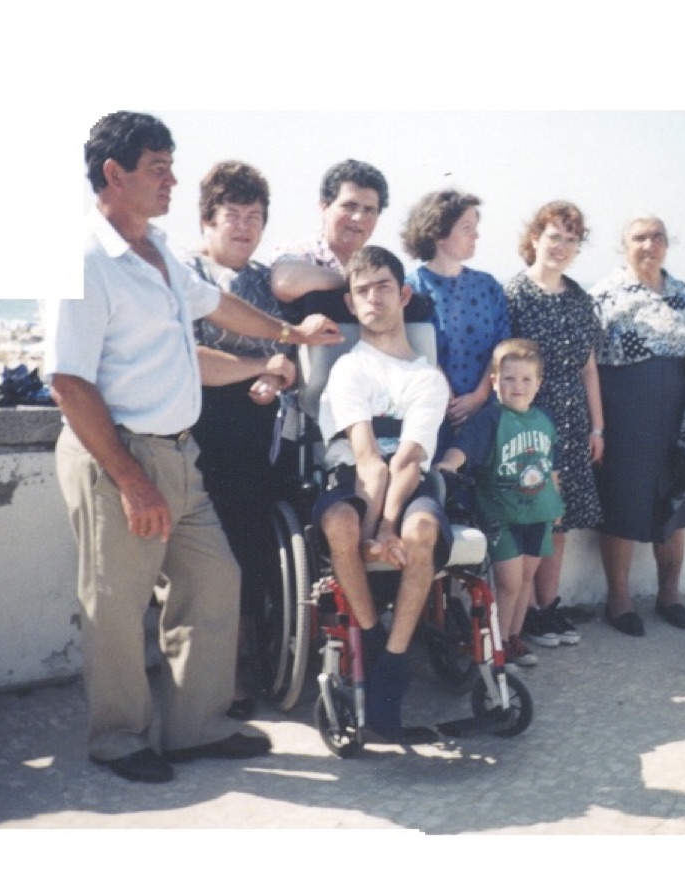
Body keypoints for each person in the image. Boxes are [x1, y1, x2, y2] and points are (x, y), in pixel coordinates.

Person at [48, 111, 341, 784]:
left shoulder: (158, 253)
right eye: (158, 167)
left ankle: (195, 724)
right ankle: (119, 737)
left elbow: (219, 307)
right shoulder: (83, 258)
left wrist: (288, 334)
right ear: (114, 174)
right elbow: (68, 382)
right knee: (115, 603)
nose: (173, 180)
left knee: (215, 581)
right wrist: (130, 478)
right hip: (117, 455)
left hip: (179, 452)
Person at [313, 245, 452, 743]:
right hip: (355, 477)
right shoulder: (350, 368)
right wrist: (372, 533)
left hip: (407, 485)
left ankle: (392, 666)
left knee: (423, 531)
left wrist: (391, 528)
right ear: (350, 304)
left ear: (404, 294)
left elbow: (409, 461)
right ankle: (371, 640)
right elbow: (368, 458)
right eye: (362, 291)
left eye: (383, 287)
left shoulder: (428, 378)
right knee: (341, 526)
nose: (373, 298)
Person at [184, 161, 298, 720]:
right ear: (207, 220)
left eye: (255, 217)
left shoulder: (265, 281)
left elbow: (290, 358)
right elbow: (190, 359)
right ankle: (217, 675)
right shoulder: (185, 273)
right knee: (213, 554)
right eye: (233, 215)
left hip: (260, 429)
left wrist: (274, 376)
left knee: (252, 547)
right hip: (202, 427)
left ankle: (244, 664)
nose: (244, 227)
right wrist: (260, 363)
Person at [590, 216, 685, 637]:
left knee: (676, 501)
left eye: (657, 236)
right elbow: (587, 363)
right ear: (623, 245)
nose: (649, 244)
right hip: (624, 411)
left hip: (679, 414)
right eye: (639, 237)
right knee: (622, 500)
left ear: (668, 243)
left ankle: (670, 595)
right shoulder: (604, 295)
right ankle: (619, 599)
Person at [504, 201, 603, 652]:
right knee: (534, 518)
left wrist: (597, 427)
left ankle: (548, 608)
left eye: (570, 239)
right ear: (534, 239)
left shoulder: (581, 298)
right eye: (554, 236)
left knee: (558, 522)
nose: (561, 246)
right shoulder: (515, 294)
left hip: (572, 421)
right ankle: (518, 620)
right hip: (529, 423)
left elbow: (588, 367)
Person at [437, 339, 564, 668]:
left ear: (538, 384)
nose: (517, 386)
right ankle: (496, 645)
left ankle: (513, 637)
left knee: (524, 580)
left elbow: (551, 469)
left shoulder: (544, 422)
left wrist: (557, 507)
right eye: (508, 379)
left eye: (526, 380)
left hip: (538, 514)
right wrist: (448, 465)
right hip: (500, 514)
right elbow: (463, 449)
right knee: (508, 582)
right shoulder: (488, 420)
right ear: (494, 382)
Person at [401, 189, 512, 452]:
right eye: (466, 228)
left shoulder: (488, 286)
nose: (476, 235)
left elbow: (503, 345)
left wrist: (479, 396)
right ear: (439, 232)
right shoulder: (410, 288)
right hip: (430, 415)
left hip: (485, 414)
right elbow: (412, 347)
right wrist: (449, 401)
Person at [269, 159, 394, 323]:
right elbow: (284, 282)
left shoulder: (378, 266)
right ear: (324, 206)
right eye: (349, 206)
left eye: (369, 210)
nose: (358, 217)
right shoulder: (298, 254)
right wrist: (356, 281)